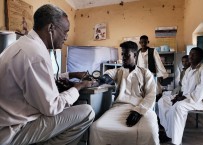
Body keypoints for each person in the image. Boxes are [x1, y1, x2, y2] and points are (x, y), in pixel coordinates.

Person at [0, 4, 95, 145]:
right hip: (13, 132)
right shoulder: (36, 55)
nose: (66, 37)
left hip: (6, 124)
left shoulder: (22, 45)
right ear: (51, 29)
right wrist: (79, 86)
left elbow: (43, 77)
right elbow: (53, 108)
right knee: (87, 112)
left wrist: (71, 74)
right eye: (65, 32)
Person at [89, 41, 160, 145]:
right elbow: (108, 73)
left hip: (141, 108)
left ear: (135, 55)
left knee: (149, 132)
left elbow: (151, 94)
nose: (123, 57)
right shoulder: (118, 71)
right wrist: (105, 77)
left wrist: (138, 111)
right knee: (96, 127)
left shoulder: (145, 73)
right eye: (122, 54)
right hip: (119, 107)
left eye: (127, 55)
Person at [158, 47, 203, 145]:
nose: (191, 56)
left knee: (178, 107)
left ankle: (175, 141)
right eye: (190, 53)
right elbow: (184, 88)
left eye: (194, 54)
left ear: (200, 57)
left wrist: (183, 98)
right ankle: (168, 131)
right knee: (163, 101)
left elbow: (202, 92)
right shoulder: (188, 70)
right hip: (188, 98)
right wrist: (179, 96)